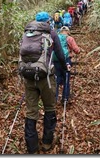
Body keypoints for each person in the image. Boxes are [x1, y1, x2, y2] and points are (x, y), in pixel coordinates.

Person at [21, 11, 69, 154]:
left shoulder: (27, 33)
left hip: (28, 76)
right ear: (48, 21)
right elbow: (60, 54)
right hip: (46, 78)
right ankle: (47, 142)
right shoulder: (51, 33)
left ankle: (32, 148)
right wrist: (65, 68)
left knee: (31, 112)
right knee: (49, 108)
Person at [53, 26, 80, 104]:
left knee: (56, 80)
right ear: (68, 31)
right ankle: (65, 99)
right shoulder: (69, 38)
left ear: (60, 31)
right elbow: (76, 50)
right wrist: (79, 50)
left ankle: (55, 98)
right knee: (66, 79)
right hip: (66, 60)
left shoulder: (56, 37)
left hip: (56, 60)